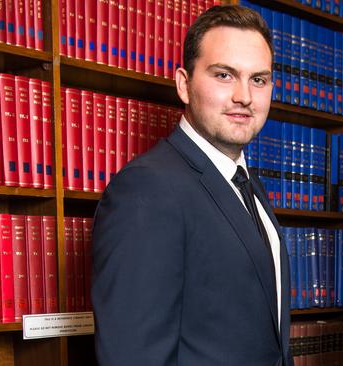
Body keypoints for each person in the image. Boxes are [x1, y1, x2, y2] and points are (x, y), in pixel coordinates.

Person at [92, 5, 292, 365]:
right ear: (184, 84)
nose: (244, 96)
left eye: (258, 79)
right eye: (224, 75)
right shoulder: (146, 190)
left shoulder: (245, 184)